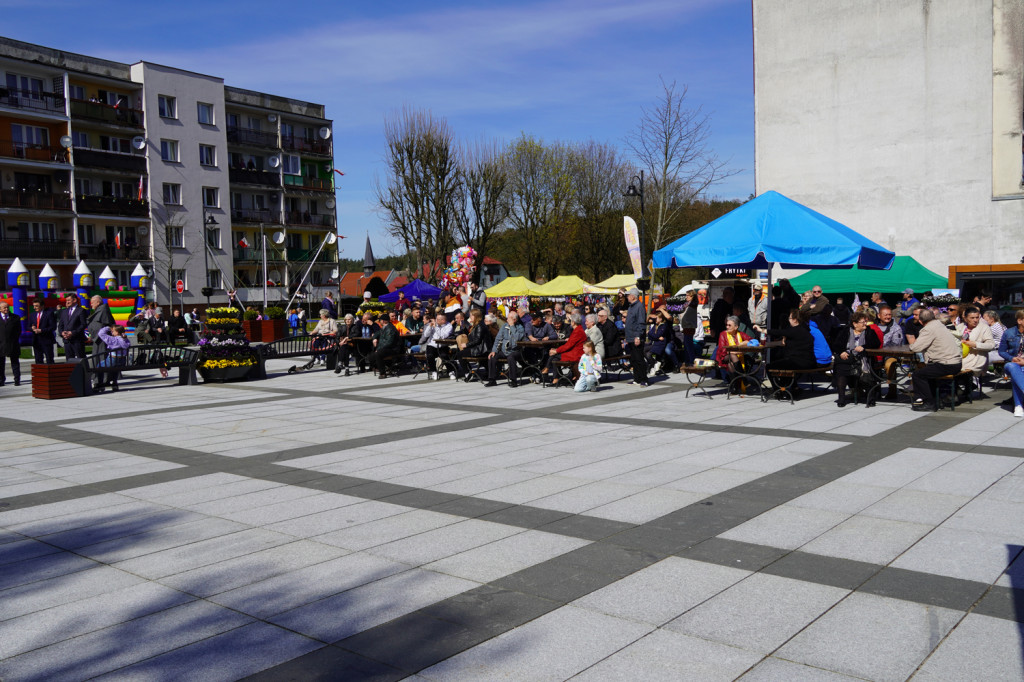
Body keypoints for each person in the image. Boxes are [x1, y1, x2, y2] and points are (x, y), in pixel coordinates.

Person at [909, 308, 963, 411]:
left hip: (947, 364)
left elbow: (916, 348)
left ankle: (929, 402)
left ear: (921, 321)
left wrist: (912, 344)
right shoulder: (939, 325)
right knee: (928, 372)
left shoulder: (928, 329)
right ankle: (936, 400)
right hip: (956, 363)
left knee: (918, 375)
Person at [831, 311, 882, 407]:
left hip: (863, 358)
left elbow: (876, 344)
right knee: (841, 369)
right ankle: (841, 397)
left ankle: (870, 397)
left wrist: (864, 347)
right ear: (855, 324)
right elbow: (836, 345)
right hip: (848, 358)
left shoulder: (869, 332)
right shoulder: (846, 331)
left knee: (865, 369)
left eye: (865, 321)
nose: (865, 324)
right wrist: (842, 351)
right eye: (863, 322)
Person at [957, 306, 995, 394]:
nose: (975, 320)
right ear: (965, 318)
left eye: (977, 317)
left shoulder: (984, 328)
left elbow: (991, 345)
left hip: (977, 357)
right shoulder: (960, 327)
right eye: (972, 318)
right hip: (961, 356)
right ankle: (958, 390)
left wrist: (975, 344)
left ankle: (966, 388)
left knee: (961, 371)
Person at [486, 309, 525, 387]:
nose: (507, 320)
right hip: (504, 350)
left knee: (511, 357)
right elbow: (498, 339)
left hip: (515, 350)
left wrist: (512, 327)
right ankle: (492, 379)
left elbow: (517, 338)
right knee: (492, 357)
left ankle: (513, 380)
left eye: (509, 318)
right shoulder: (504, 326)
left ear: (514, 319)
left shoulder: (520, 327)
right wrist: (494, 350)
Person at [996, 310, 1024, 417]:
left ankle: (1018, 406)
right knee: (1013, 367)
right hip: (1012, 363)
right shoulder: (1009, 333)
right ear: (1019, 321)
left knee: (1017, 376)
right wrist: (1012, 358)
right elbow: (1001, 351)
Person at [714, 316, 752, 388]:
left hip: (734, 359)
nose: (727, 327)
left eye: (729, 325)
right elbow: (722, 349)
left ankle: (734, 387)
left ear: (736, 327)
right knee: (732, 356)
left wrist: (744, 343)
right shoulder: (723, 334)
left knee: (730, 364)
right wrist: (735, 352)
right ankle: (744, 378)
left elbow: (752, 341)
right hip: (724, 357)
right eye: (727, 325)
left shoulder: (740, 334)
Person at [455, 309, 491, 380]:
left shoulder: (480, 326)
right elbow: (470, 336)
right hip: (478, 348)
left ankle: (468, 373)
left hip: (481, 350)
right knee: (461, 353)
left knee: (460, 354)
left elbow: (477, 340)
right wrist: (464, 328)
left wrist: (466, 345)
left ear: (476, 316)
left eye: (471, 316)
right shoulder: (476, 325)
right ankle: (469, 372)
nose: (470, 317)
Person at [94, 325, 130, 392]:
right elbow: (126, 345)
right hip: (122, 361)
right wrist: (125, 338)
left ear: (117, 332)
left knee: (99, 366)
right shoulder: (125, 340)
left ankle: (100, 384)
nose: (111, 332)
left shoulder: (112, 339)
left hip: (113, 359)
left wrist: (107, 328)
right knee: (115, 368)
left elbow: (101, 333)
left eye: (113, 331)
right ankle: (114, 383)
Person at [366, 312, 402, 379]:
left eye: (380, 320)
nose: (379, 322)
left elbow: (389, 342)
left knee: (378, 354)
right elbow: (377, 333)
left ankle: (383, 373)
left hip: (393, 349)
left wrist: (379, 349)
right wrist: (374, 338)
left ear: (383, 321)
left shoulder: (390, 329)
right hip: (386, 348)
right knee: (370, 356)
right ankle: (380, 367)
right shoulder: (384, 328)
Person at [624, 287, 648, 386]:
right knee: (633, 359)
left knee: (639, 359)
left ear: (633, 296)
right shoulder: (631, 306)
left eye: (628, 295)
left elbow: (641, 323)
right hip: (630, 337)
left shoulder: (639, 306)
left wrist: (638, 336)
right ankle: (637, 378)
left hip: (636, 337)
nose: (627, 297)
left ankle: (644, 379)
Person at [419, 312, 452, 380]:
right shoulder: (433, 325)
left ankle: (451, 371)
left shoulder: (449, 326)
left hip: (443, 345)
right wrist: (430, 326)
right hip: (432, 344)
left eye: (437, 319)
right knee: (430, 355)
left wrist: (436, 327)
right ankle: (433, 371)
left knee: (444, 356)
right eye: (436, 319)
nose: (435, 320)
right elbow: (426, 335)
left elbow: (442, 336)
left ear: (443, 320)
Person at [57, 294, 87, 359]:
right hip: (67, 341)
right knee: (69, 360)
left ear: (74, 300)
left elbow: (83, 324)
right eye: (66, 300)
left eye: (69, 300)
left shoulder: (81, 310)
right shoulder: (64, 311)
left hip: (77, 340)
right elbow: (60, 325)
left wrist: (72, 333)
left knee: (81, 359)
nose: (67, 302)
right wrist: (62, 333)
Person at [0, 301, 22, 386]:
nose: (6, 309)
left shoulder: (15, 318)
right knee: (1, 364)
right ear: (0, 309)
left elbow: (18, 331)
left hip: (12, 344)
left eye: (7, 307)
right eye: (4, 307)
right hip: (1, 345)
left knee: (15, 363)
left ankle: (17, 379)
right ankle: (1, 380)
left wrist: (13, 339)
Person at [646, 308, 674, 374]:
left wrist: (650, 333)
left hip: (660, 344)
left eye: (657, 318)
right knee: (643, 350)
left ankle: (654, 364)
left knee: (649, 354)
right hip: (655, 342)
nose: (655, 320)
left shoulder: (664, 325)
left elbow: (656, 335)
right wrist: (656, 337)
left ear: (661, 319)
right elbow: (652, 336)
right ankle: (654, 364)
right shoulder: (656, 325)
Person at [29, 300, 56, 364]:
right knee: (38, 360)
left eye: (36, 306)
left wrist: (41, 330)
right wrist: (32, 328)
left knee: (49, 359)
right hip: (36, 341)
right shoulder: (32, 315)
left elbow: (53, 327)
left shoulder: (49, 314)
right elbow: (28, 326)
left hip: (46, 340)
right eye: (34, 306)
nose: (34, 308)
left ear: (42, 306)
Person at [679, 289, 700, 365]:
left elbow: (684, 309)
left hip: (689, 326)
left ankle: (692, 360)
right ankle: (687, 360)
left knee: (688, 345)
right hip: (686, 326)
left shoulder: (692, 303)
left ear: (692, 296)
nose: (686, 297)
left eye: (687, 295)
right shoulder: (688, 303)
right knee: (686, 344)